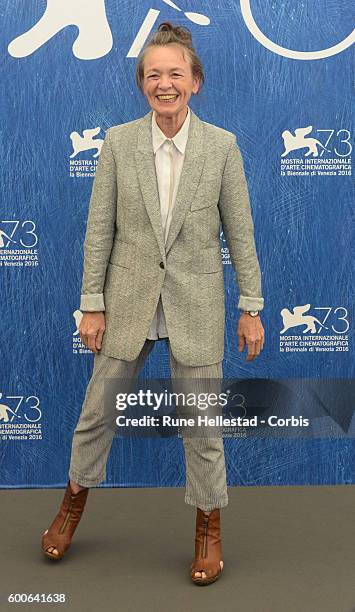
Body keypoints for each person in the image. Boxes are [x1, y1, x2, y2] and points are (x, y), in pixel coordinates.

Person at [41, 21, 265, 586]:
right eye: (153, 74)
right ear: (142, 82)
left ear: (196, 82)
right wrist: (92, 302)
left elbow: (240, 232)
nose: (164, 84)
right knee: (96, 414)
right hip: (128, 301)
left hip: (196, 303)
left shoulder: (222, 147)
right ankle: (70, 506)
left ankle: (208, 528)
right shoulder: (117, 143)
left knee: (203, 426)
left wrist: (252, 305)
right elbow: (99, 230)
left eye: (175, 73)